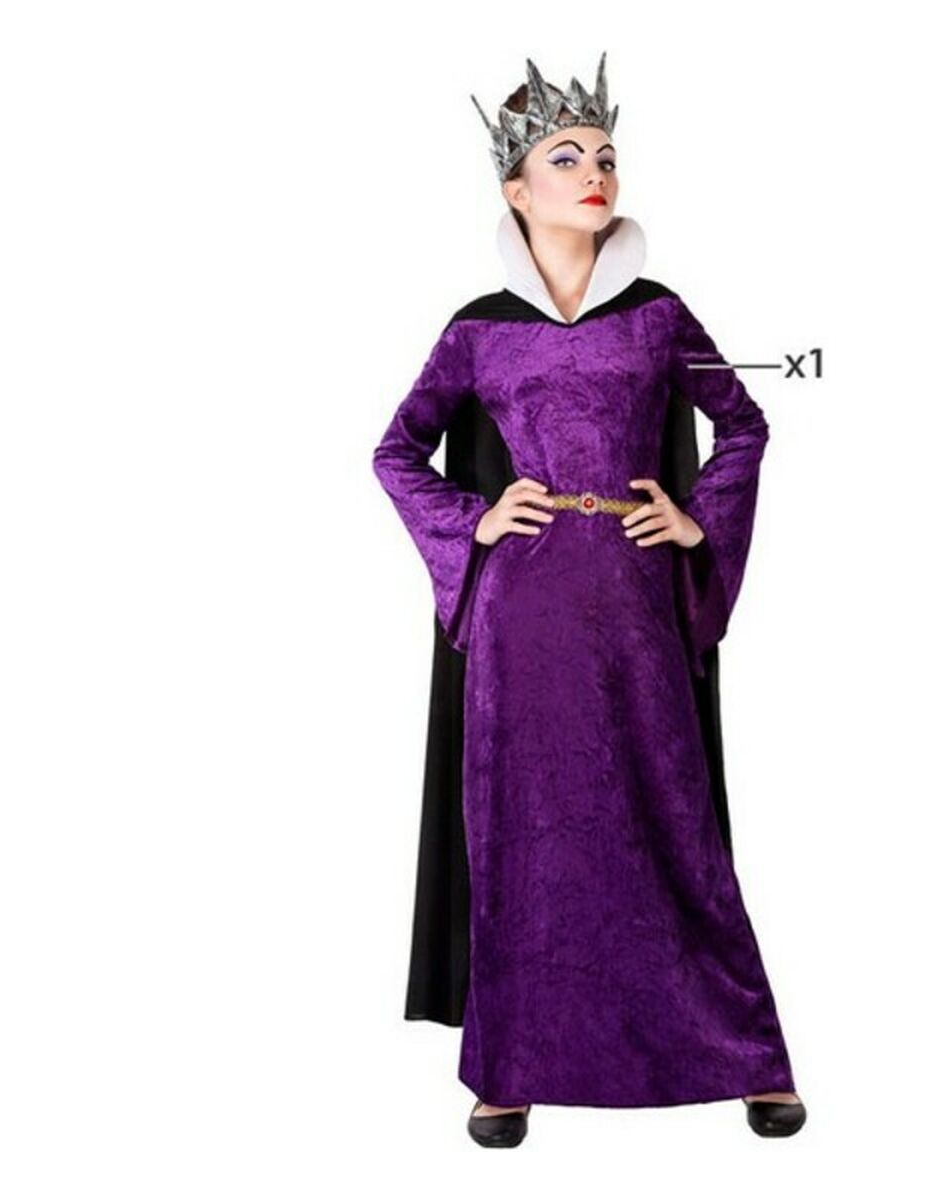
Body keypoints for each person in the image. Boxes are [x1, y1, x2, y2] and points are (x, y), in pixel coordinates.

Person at [372, 53, 807, 1147]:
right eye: (565, 159)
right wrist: (472, 520)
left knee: (673, 820)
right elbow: (395, 451)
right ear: (516, 190)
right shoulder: (479, 329)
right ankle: (509, 1069)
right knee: (520, 832)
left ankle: (745, 1056)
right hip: (521, 618)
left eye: (606, 155)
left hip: (634, 604)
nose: (595, 172)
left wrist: (699, 519)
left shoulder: (657, 316)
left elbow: (745, 422)